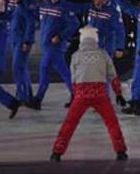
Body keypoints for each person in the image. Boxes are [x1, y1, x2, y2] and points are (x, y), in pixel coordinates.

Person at [50, 27, 128, 162]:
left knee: (70, 124)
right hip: (100, 94)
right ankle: (121, 151)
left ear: (82, 40)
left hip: (81, 94)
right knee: (112, 123)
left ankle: (57, 153)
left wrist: (76, 94)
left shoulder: (75, 56)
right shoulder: (103, 54)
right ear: (95, 40)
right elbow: (112, 76)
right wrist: (118, 93)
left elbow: (73, 79)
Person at [28, 0, 78, 110]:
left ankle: (38, 99)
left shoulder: (64, 7)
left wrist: (60, 36)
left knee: (44, 68)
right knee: (62, 71)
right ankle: (76, 94)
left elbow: (74, 24)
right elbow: (37, 17)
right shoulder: (45, 5)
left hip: (55, 46)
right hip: (46, 44)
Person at [5, 0, 36, 103]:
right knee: (20, 66)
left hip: (22, 38)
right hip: (15, 36)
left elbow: (30, 20)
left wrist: (27, 41)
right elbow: (12, 16)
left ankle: (23, 95)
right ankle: (26, 93)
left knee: (18, 67)